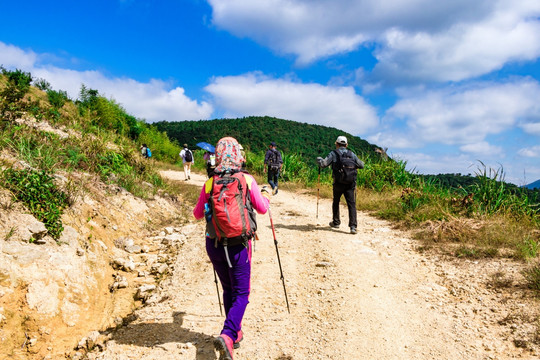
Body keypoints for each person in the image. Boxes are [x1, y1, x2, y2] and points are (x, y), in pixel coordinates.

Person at [193, 137, 271, 360]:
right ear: (238, 155)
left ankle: (235, 334)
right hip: (238, 245)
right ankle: (228, 334)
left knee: (229, 289)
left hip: (215, 244)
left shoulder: (210, 182)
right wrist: (266, 194)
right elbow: (262, 209)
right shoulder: (246, 179)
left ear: (218, 155)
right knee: (242, 293)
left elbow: (197, 214)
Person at [317, 136, 364, 234]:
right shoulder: (352, 154)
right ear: (346, 145)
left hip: (338, 183)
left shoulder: (334, 153)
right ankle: (353, 227)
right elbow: (361, 165)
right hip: (350, 184)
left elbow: (323, 164)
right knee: (351, 204)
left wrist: (319, 160)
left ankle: (336, 222)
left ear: (336, 144)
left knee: (336, 202)